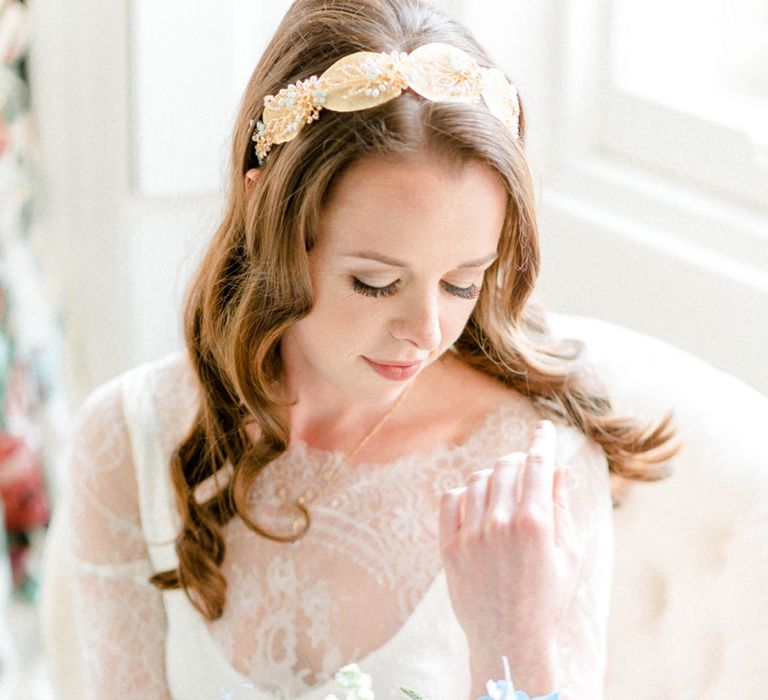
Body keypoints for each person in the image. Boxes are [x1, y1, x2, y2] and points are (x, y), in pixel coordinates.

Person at [63, 1, 678, 698]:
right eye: (376, 283)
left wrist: (513, 640)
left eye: (462, 283)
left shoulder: (537, 468)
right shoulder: (126, 439)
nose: (425, 331)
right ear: (269, 219)